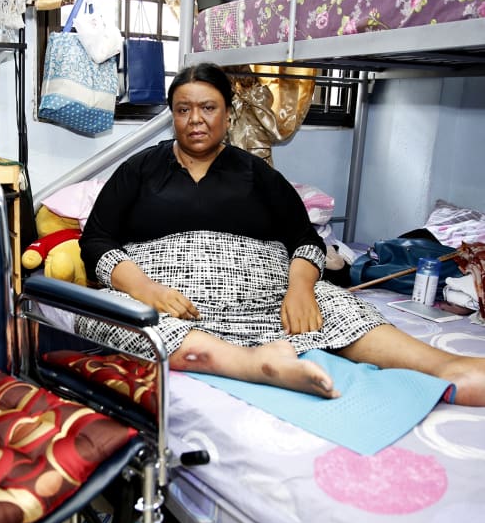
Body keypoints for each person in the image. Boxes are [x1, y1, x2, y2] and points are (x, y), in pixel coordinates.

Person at [78, 62, 485, 407]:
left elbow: (306, 239)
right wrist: (146, 289)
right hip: (171, 304)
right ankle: (253, 364)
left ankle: (445, 368)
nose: (195, 119)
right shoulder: (140, 169)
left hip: (267, 300)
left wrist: (301, 290)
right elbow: (95, 239)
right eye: (183, 109)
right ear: (172, 115)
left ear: (228, 113)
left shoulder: (257, 174)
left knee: (339, 304)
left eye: (208, 107)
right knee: (110, 316)